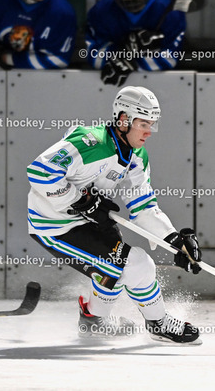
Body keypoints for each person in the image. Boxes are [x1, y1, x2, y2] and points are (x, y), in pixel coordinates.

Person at [27, 86, 202, 344]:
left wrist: (173, 240)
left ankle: (94, 321)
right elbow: (40, 172)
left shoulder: (136, 155)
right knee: (133, 264)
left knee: (124, 267)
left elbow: (143, 205)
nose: (149, 132)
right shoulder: (90, 141)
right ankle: (158, 323)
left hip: (89, 219)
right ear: (123, 119)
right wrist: (81, 201)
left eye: (152, 124)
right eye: (143, 124)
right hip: (56, 225)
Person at [86, 0, 187, 86]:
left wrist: (130, 63)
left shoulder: (170, 12)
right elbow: (92, 54)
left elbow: (170, 58)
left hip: (162, 86)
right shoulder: (101, 12)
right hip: (109, 88)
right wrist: (123, 53)